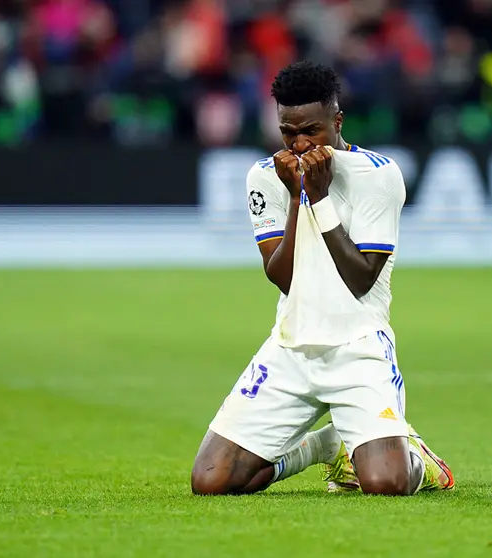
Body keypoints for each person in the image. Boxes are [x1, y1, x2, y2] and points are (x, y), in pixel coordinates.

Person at [190, 61, 454, 496]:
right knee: (211, 479)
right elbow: (282, 277)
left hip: (359, 349)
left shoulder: (377, 175)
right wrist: (298, 198)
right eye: (288, 132)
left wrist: (322, 198)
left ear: (337, 121)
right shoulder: (266, 177)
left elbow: (361, 278)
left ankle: (417, 458)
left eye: (310, 130)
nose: (299, 143)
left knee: (387, 484)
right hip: (290, 350)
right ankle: (327, 444)